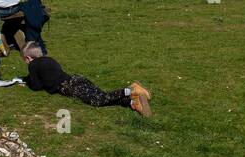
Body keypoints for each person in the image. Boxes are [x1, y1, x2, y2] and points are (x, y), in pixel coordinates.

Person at [20, 42, 151, 116]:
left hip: (68, 86)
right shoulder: (49, 59)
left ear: (28, 58)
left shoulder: (33, 65)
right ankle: (132, 102)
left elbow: (36, 86)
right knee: (102, 96)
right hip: (76, 78)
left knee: (97, 100)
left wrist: (28, 81)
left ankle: (131, 90)